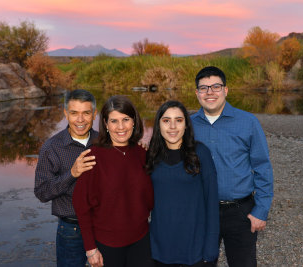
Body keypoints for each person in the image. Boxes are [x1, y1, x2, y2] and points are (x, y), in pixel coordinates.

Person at [191, 66, 274, 267]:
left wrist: (260, 211)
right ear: (197, 93)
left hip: (240, 212)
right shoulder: (188, 124)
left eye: (216, 86)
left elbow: (263, 168)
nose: (210, 92)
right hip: (201, 211)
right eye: (204, 88)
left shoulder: (248, 122)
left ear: (226, 90)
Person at [72, 95, 154, 267]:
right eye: (114, 121)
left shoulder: (142, 153)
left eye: (126, 119)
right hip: (107, 245)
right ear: (106, 124)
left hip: (141, 240)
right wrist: (90, 248)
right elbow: (81, 205)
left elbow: (150, 197)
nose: (121, 127)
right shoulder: (92, 157)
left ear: (134, 122)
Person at [145, 100, 219, 267]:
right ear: (158, 125)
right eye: (166, 121)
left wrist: (211, 248)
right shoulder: (151, 156)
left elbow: (212, 202)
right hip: (159, 249)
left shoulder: (200, 153)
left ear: (186, 125)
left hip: (195, 250)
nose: (172, 126)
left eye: (178, 120)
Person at [34, 89, 98, 267]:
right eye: (74, 113)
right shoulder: (51, 148)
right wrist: (72, 174)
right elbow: (41, 192)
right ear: (65, 114)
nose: (80, 120)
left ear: (94, 114)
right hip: (71, 229)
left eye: (86, 113)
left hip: (103, 225)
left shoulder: (104, 143)